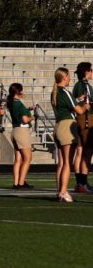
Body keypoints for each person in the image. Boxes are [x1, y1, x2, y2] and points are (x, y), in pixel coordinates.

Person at [53, 67, 86, 203]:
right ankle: (63, 192)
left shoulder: (55, 92)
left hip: (59, 125)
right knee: (67, 163)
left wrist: (78, 100)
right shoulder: (64, 91)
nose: (70, 78)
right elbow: (79, 110)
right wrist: (86, 105)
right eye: (68, 76)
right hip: (67, 126)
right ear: (65, 77)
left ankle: (60, 190)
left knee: (61, 162)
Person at [6, 83, 34, 190]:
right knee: (27, 158)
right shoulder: (18, 103)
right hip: (22, 130)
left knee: (18, 159)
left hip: (15, 130)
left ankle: (16, 182)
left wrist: (27, 109)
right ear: (18, 92)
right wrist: (33, 117)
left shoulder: (13, 102)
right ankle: (21, 182)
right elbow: (25, 119)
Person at [72, 62, 93, 194]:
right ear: (86, 72)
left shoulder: (82, 85)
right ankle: (82, 182)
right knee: (87, 151)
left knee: (80, 151)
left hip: (83, 119)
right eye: (91, 70)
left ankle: (80, 182)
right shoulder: (83, 85)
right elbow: (83, 102)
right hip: (86, 119)